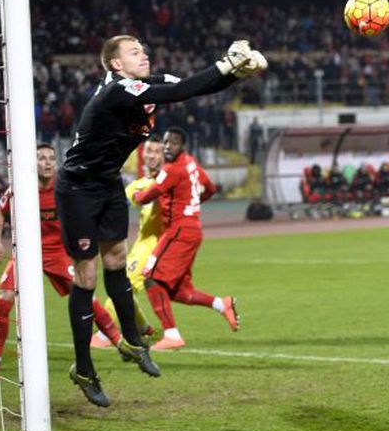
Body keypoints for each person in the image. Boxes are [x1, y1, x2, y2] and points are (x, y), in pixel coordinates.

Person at [55, 34, 266, 406]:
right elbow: (178, 92)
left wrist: (237, 73)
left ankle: (136, 344)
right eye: (134, 52)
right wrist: (228, 63)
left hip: (106, 184)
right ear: (116, 64)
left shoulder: (143, 86)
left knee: (117, 261)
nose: (144, 54)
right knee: (86, 276)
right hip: (77, 188)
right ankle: (85, 368)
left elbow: (188, 87)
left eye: (143, 49)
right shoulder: (117, 91)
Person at [0, 145, 122, 373]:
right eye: (41, 158)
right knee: (4, 298)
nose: (47, 163)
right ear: (33, 162)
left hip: (58, 253)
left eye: (51, 159)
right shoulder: (21, 186)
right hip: (26, 253)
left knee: (87, 296)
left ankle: (118, 341)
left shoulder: (64, 186)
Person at [132, 127, 240, 350]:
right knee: (177, 291)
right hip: (192, 230)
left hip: (179, 231)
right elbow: (209, 188)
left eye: (174, 142)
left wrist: (136, 195)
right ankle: (222, 304)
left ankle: (171, 335)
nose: (169, 146)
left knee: (150, 276)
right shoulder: (191, 163)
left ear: (182, 146)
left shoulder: (171, 170)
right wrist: (192, 203)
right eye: (166, 142)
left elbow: (147, 197)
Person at [92, 136, 166, 348]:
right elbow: (119, 203)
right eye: (148, 152)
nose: (151, 156)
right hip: (142, 244)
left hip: (158, 245)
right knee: (123, 285)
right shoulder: (140, 185)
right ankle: (142, 327)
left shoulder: (170, 181)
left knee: (122, 285)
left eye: (156, 152)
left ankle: (107, 334)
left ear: (164, 155)